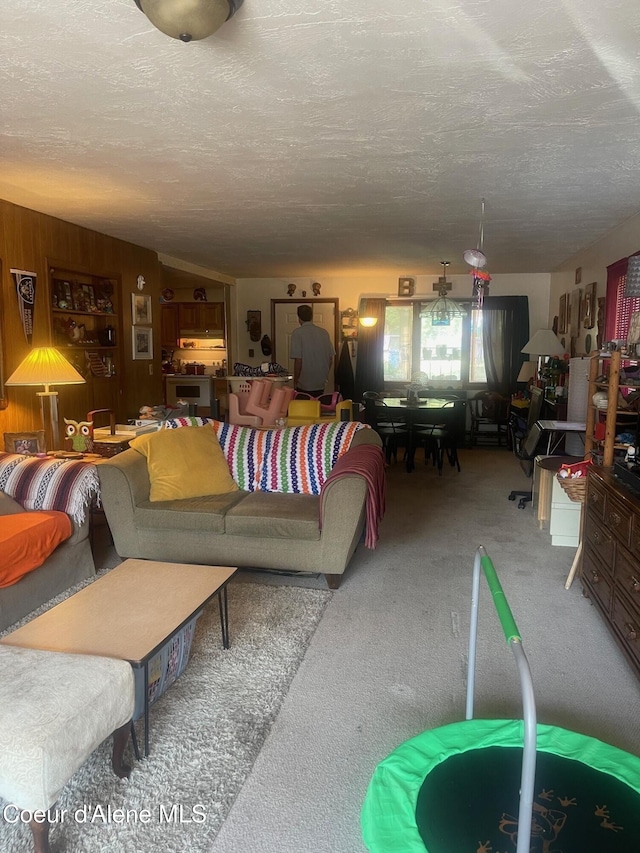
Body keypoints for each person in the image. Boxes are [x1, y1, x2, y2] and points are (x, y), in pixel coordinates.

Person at [289, 304, 335, 397]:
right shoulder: (324, 333)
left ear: (299, 318)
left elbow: (298, 360)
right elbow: (330, 358)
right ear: (311, 316)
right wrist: (324, 375)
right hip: (320, 382)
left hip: (304, 382)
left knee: (304, 408)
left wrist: (296, 380)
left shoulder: (298, 333)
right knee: (317, 407)